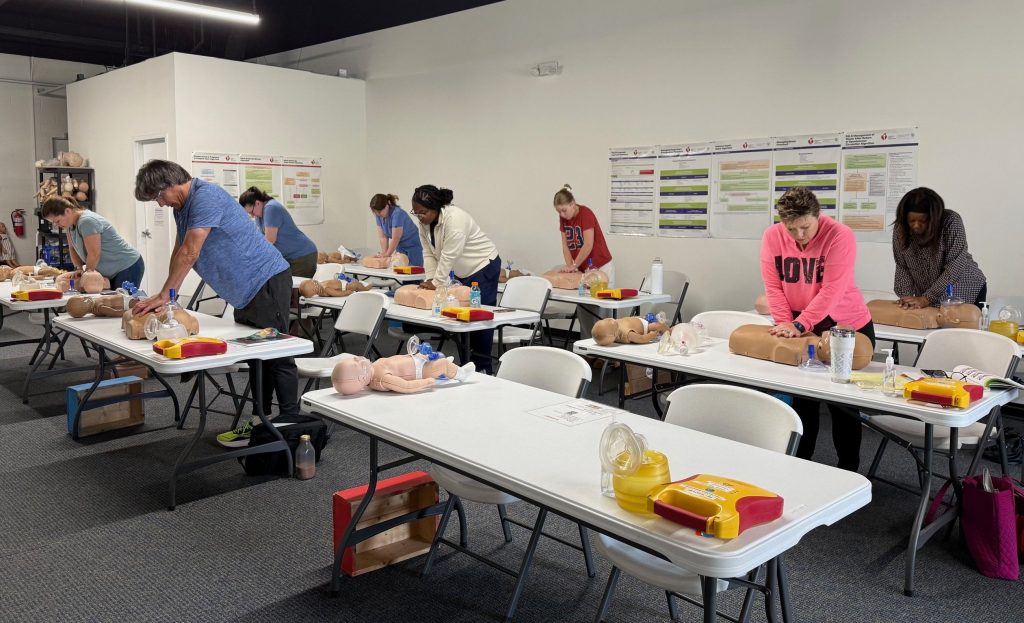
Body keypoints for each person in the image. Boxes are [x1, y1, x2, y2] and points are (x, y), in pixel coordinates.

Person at [132, 160, 297, 430]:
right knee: (256, 354)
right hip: (244, 290)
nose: (160, 204)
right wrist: (168, 294)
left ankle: (291, 424)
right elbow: (180, 250)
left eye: (159, 196)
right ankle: (261, 419)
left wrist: (165, 295)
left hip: (265, 280)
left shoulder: (205, 197)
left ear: (170, 185)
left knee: (278, 353)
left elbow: (191, 251)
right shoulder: (183, 207)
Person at [760, 187, 875, 471]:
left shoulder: (839, 235)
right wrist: (785, 324)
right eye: (791, 228)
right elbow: (773, 287)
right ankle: (802, 468)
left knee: (843, 406)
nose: (799, 235)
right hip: (799, 324)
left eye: (805, 227)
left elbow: (832, 290)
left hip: (844, 324)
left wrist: (799, 324)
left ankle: (849, 472)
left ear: (818, 216)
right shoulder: (772, 236)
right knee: (803, 401)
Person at [411, 185, 500, 374]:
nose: (419, 217)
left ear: (435, 207)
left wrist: (436, 283)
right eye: (416, 213)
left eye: (423, 212)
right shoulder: (424, 223)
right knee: (461, 320)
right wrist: (430, 281)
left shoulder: (455, 219)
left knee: (479, 319)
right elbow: (428, 253)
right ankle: (467, 366)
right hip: (463, 272)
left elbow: (448, 256)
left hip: (483, 266)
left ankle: (484, 369)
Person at [892, 187, 987, 309]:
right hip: (926, 295)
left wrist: (927, 298)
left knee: (958, 326)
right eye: (911, 220)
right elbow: (902, 266)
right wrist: (906, 298)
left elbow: (955, 266)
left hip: (965, 289)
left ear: (934, 218)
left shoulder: (951, 222)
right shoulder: (900, 228)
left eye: (923, 221)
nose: (916, 225)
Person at [39, 196, 144, 288]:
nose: (57, 225)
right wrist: (78, 268)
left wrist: (86, 277)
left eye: (57, 221)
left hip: (127, 265)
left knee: (123, 304)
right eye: (54, 223)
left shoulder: (87, 221)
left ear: (67, 211)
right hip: (111, 269)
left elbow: (94, 253)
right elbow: (72, 248)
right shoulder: (69, 226)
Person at [553, 184, 614, 340]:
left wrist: (573, 265)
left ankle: (606, 353)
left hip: (601, 266)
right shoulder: (563, 218)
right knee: (584, 309)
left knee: (602, 311)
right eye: (558, 211)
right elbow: (565, 244)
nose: (562, 214)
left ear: (573, 204)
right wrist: (569, 267)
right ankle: (588, 349)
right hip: (584, 269)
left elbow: (588, 244)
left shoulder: (585, 213)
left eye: (564, 210)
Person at [238, 186, 318, 278]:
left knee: (297, 289)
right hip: (288, 258)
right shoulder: (258, 216)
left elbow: (269, 240)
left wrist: (252, 256)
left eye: (251, 212)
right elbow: (259, 239)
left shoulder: (271, 208)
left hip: (302, 256)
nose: (252, 215)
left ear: (258, 203)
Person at [370, 193, 424, 266]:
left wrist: (387, 254)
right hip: (400, 245)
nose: (377, 214)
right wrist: (384, 254)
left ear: (386, 206)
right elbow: (383, 238)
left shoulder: (397, 214)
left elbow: (395, 238)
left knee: (414, 270)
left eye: (379, 212)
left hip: (412, 245)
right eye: (375, 212)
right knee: (400, 270)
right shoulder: (379, 216)